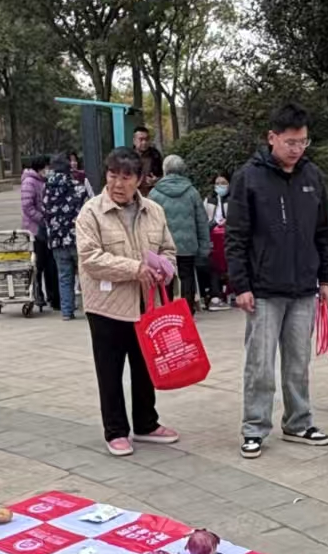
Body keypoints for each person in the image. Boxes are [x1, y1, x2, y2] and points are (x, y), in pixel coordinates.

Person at [227, 103, 328, 458]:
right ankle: (254, 427)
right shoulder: (249, 177)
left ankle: (299, 422)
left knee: (298, 362)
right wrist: (241, 284)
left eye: (303, 142)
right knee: (260, 365)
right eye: (290, 142)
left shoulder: (312, 176)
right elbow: (236, 236)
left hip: (303, 287)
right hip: (263, 290)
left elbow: (322, 232)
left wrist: (325, 277)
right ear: (272, 137)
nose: (297, 149)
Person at [75, 147, 180, 455]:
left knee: (145, 366)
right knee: (110, 371)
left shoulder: (154, 211)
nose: (117, 184)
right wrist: (135, 269)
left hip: (146, 304)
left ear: (139, 180)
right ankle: (115, 431)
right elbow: (91, 259)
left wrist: (165, 268)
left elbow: (168, 249)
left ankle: (146, 423)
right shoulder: (91, 213)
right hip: (107, 306)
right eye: (112, 176)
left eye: (125, 177)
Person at [147, 154, 211, 312]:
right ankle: (187, 310)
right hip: (188, 245)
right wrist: (204, 247)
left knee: (166, 277)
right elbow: (202, 221)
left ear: (164, 170)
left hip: (164, 246)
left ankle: (167, 310)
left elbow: (148, 221)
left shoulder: (155, 193)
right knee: (187, 276)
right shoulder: (192, 192)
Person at [41, 153, 89, 318]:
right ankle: (90, 309)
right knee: (84, 276)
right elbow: (87, 211)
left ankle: (67, 311)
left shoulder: (46, 189)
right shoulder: (78, 187)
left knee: (64, 276)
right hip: (77, 238)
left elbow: (45, 213)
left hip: (57, 240)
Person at [21, 153, 60, 310]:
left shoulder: (45, 181)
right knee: (37, 265)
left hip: (47, 229)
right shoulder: (29, 182)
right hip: (35, 230)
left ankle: (53, 297)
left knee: (51, 265)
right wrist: (42, 219)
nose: (49, 170)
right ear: (41, 167)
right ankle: (38, 295)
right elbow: (27, 206)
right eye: (48, 166)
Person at [205, 171, 231, 307]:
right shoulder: (209, 200)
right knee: (213, 264)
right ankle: (215, 293)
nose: (220, 186)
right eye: (217, 183)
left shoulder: (233, 199)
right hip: (213, 235)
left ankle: (231, 292)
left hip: (228, 235)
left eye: (223, 183)